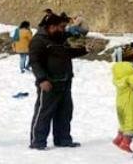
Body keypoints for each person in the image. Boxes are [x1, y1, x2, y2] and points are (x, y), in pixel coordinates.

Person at [29, 14, 89, 150]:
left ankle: (63, 139)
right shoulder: (39, 41)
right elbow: (35, 62)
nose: (63, 30)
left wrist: (84, 50)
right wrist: (42, 79)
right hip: (49, 83)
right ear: (51, 27)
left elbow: (66, 53)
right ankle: (38, 141)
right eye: (61, 27)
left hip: (65, 81)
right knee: (44, 113)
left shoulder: (59, 38)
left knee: (65, 112)